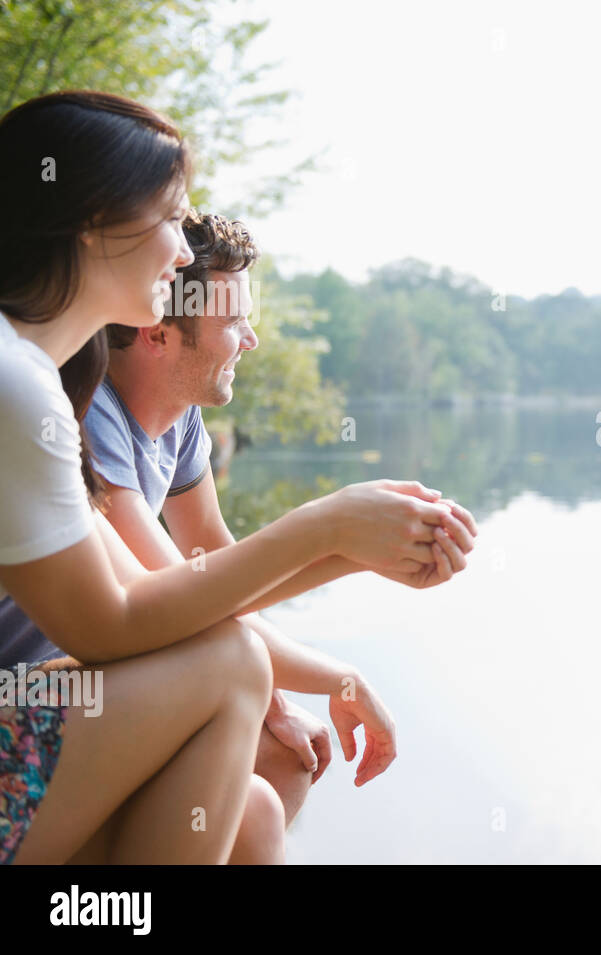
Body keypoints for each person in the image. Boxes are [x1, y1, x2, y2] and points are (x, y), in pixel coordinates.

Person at [0, 90, 475, 864]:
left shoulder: (36, 382)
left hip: (34, 708)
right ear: (91, 224)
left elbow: (166, 587)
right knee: (232, 663)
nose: (181, 251)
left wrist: (364, 542)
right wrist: (331, 525)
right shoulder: (19, 386)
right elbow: (118, 622)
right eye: (165, 217)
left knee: (254, 809)